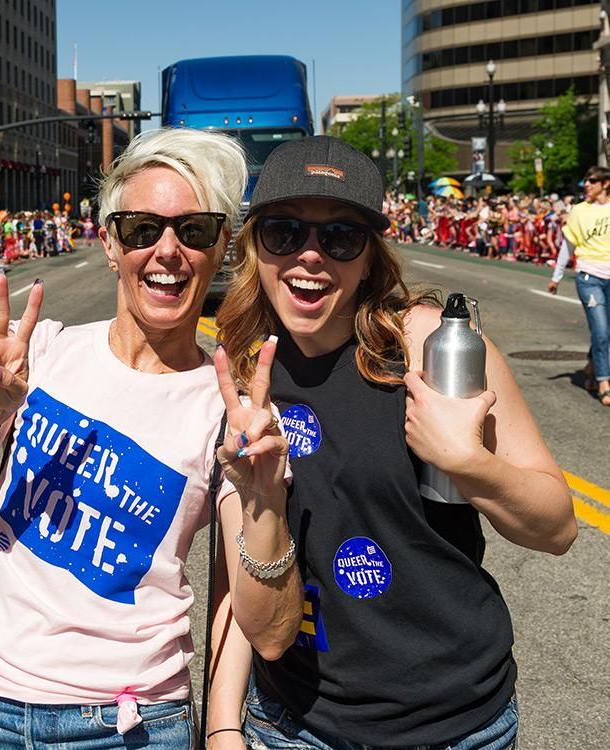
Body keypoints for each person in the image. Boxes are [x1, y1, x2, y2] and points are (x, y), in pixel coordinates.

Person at [0, 128, 253, 749]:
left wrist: (222, 728)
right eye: (142, 229)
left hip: (130, 723)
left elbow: (235, 597)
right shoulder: (45, 352)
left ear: (221, 248)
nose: (167, 250)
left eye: (193, 230)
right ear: (110, 244)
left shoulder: (226, 405)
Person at [212, 136, 577, 749]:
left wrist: (471, 464)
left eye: (340, 238)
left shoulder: (435, 349)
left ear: (369, 257)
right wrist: (223, 725)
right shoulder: (241, 378)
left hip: (459, 724)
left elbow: (558, 528)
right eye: (283, 232)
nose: (310, 257)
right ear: (254, 245)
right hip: (300, 728)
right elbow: (258, 618)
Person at [551, 166, 610, 406]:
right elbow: (568, 246)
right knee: (601, 331)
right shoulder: (579, 211)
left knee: (607, 331)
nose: (587, 184)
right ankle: (604, 381)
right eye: (586, 180)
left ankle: (592, 364)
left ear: (606, 184)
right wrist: (557, 276)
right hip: (589, 277)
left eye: (592, 180)